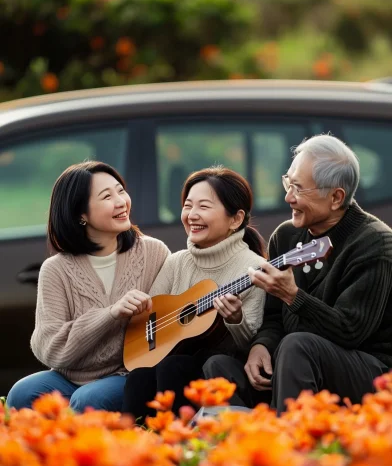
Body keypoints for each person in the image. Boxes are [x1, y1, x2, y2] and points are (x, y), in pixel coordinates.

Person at [204, 134, 392, 414]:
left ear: (336, 197)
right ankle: (247, 448)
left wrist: (293, 296)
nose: (288, 197)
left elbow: (350, 331)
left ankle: (291, 448)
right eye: (288, 183)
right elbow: (273, 316)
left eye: (299, 189)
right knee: (218, 366)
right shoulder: (287, 235)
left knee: (297, 345)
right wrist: (262, 346)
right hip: (296, 361)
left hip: (372, 372)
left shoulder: (376, 244)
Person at [7, 161, 170, 413]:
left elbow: (170, 316)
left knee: (89, 400)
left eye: (120, 191)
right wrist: (111, 314)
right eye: (107, 196)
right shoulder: (55, 269)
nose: (121, 202)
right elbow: (50, 347)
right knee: (22, 393)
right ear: (80, 215)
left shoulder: (153, 252)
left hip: (128, 373)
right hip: (71, 377)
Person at [122, 166, 266, 419]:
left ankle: (179, 446)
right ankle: (134, 448)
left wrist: (235, 320)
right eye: (188, 206)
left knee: (173, 367)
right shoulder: (177, 262)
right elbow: (151, 316)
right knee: (140, 375)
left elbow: (252, 345)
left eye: (204, 207)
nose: (192, 215)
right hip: (175, 361)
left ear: (236, 219)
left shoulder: (253, 269)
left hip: (221, 372)